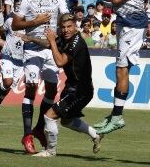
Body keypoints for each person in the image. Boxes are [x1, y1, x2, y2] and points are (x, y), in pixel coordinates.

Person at [12, 0, 70, 154]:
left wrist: (69, 22)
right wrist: (35, 22)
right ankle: (27, 135)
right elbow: (15, 24)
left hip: (50, 49)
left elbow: (65, 17)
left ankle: (38, 128)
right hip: (32, 49)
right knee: (31, 86)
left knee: (52, 90)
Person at [92, 0, 148, 134]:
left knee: (121, 70)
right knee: (121, 70)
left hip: (133, 25)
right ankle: (114, 114)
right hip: (125, 24)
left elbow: (116, 0)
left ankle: (117, 117)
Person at [31, 14, 103, 157]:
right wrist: (30, 38)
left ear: (75, 27)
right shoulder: (65, 39)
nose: (66, 30)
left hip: (80, 91)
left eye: (69, 26)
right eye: (63, 27)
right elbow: (48, 43)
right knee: (66, 121)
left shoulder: (76, 42)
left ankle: (50, 151)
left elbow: (60, 62)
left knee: (49, 116)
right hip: (73, 88)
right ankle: (96, 135)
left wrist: (52, 41)